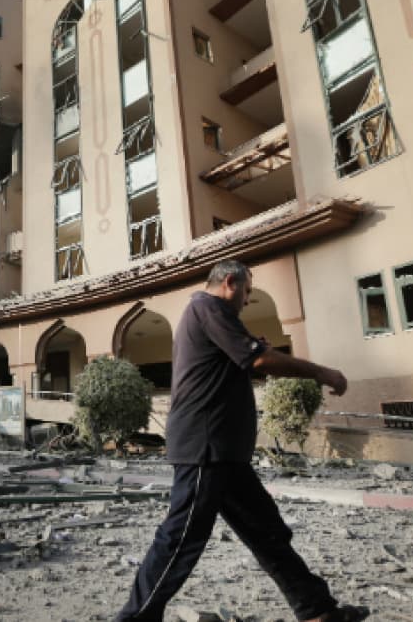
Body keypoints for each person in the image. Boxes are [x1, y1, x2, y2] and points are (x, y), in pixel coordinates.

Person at [117, 260, 369, 622]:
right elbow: (260, 360)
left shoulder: (211, 314)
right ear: (229, 282)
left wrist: (256, 353)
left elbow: (240, 360)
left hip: (226, 453)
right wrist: (321, 372)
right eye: (247, 291)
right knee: (182, 536)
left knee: (268, 531)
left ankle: (317, 610)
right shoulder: (208, 307)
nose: (248, 300)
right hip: (205, 447)